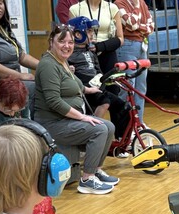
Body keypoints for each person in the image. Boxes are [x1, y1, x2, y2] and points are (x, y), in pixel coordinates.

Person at [34, 25, 119, 194]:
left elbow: (72, 85)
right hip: (52, 123)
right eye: (62, 41)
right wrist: (82, 117)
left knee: (109, 127)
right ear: (51, 42)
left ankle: (95, 170)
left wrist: (88, 90)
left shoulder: (62, 62)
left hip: (66, 119)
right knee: (99, 129)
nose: (67, 45)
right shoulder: (48, 65)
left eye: (70, 42)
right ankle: (87, 179)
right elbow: (54, 101)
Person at [67, 16, 131, 149]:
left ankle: (121, 141)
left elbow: (98, 70)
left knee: (124, 106)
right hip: (84, 91)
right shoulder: (69, 54)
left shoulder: (90, 52)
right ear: (78, 34)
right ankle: (93, 134)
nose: (92, 35)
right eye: (89, 31)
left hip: (98, 88)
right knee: (105, 100)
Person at [116, 0, 154, 125]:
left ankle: (138, 122)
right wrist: (137, 8)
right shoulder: (119, 3)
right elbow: (131, 24)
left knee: (141, 88)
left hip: (142, 46)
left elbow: (151, 26)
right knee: (128, 88)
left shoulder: (142, 2)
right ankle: (125, 125)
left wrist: (139, 25)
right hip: (127, 46)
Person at [69, 0, 125, 82]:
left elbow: (120, 39)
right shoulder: (75, 9)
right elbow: (73, 36)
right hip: (85, 54)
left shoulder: (112, 7)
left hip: (108, 53)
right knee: (89, 85)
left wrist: (100, 46)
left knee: (112, 87)